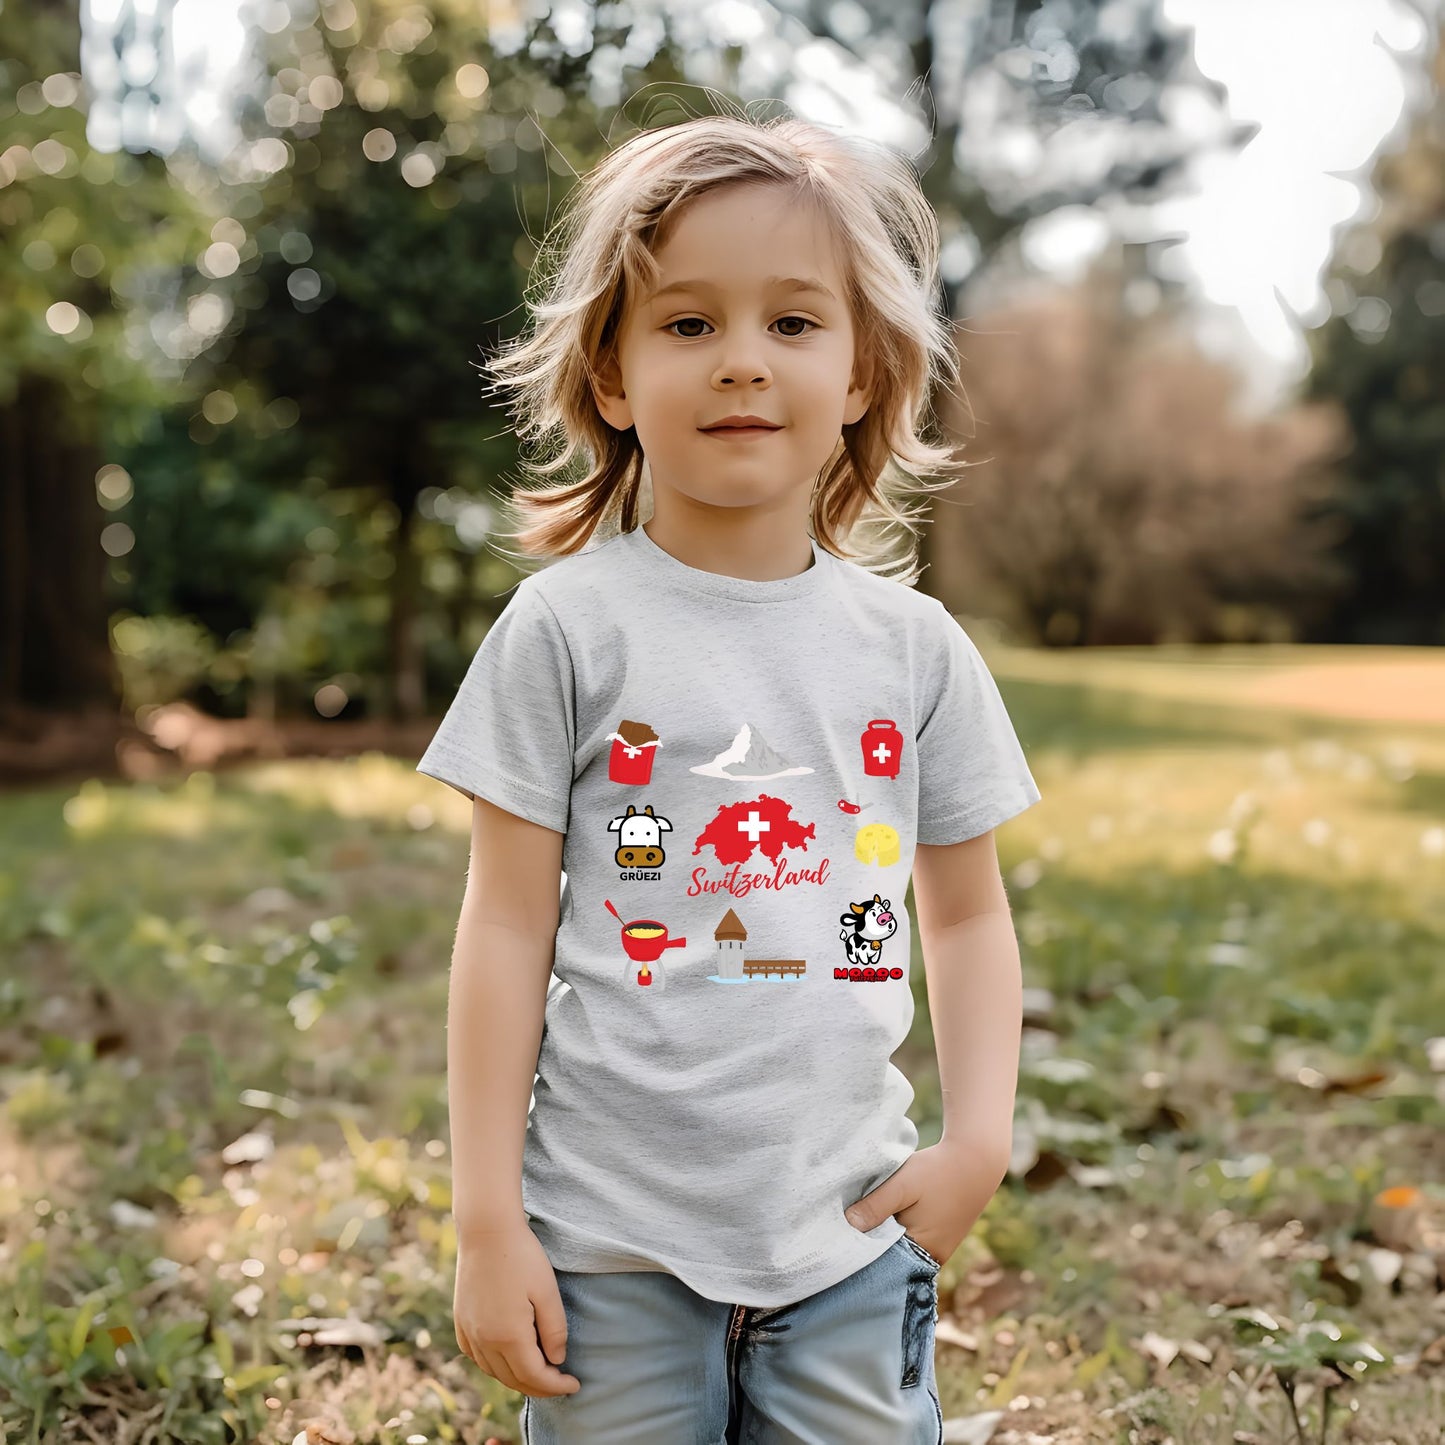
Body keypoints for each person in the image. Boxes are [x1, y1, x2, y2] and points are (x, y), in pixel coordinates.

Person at [416, 107, 1042, 1445]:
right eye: (687, 324)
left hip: (846, 1233)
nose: (741, 363)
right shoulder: (565, 630)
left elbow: (970, 913)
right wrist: (486, 1220)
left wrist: (978, 1136)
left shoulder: (914, 650)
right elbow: (506, 922)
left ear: (868, 373)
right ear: (609, 377)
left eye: (794, 324)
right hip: (607, 1239)